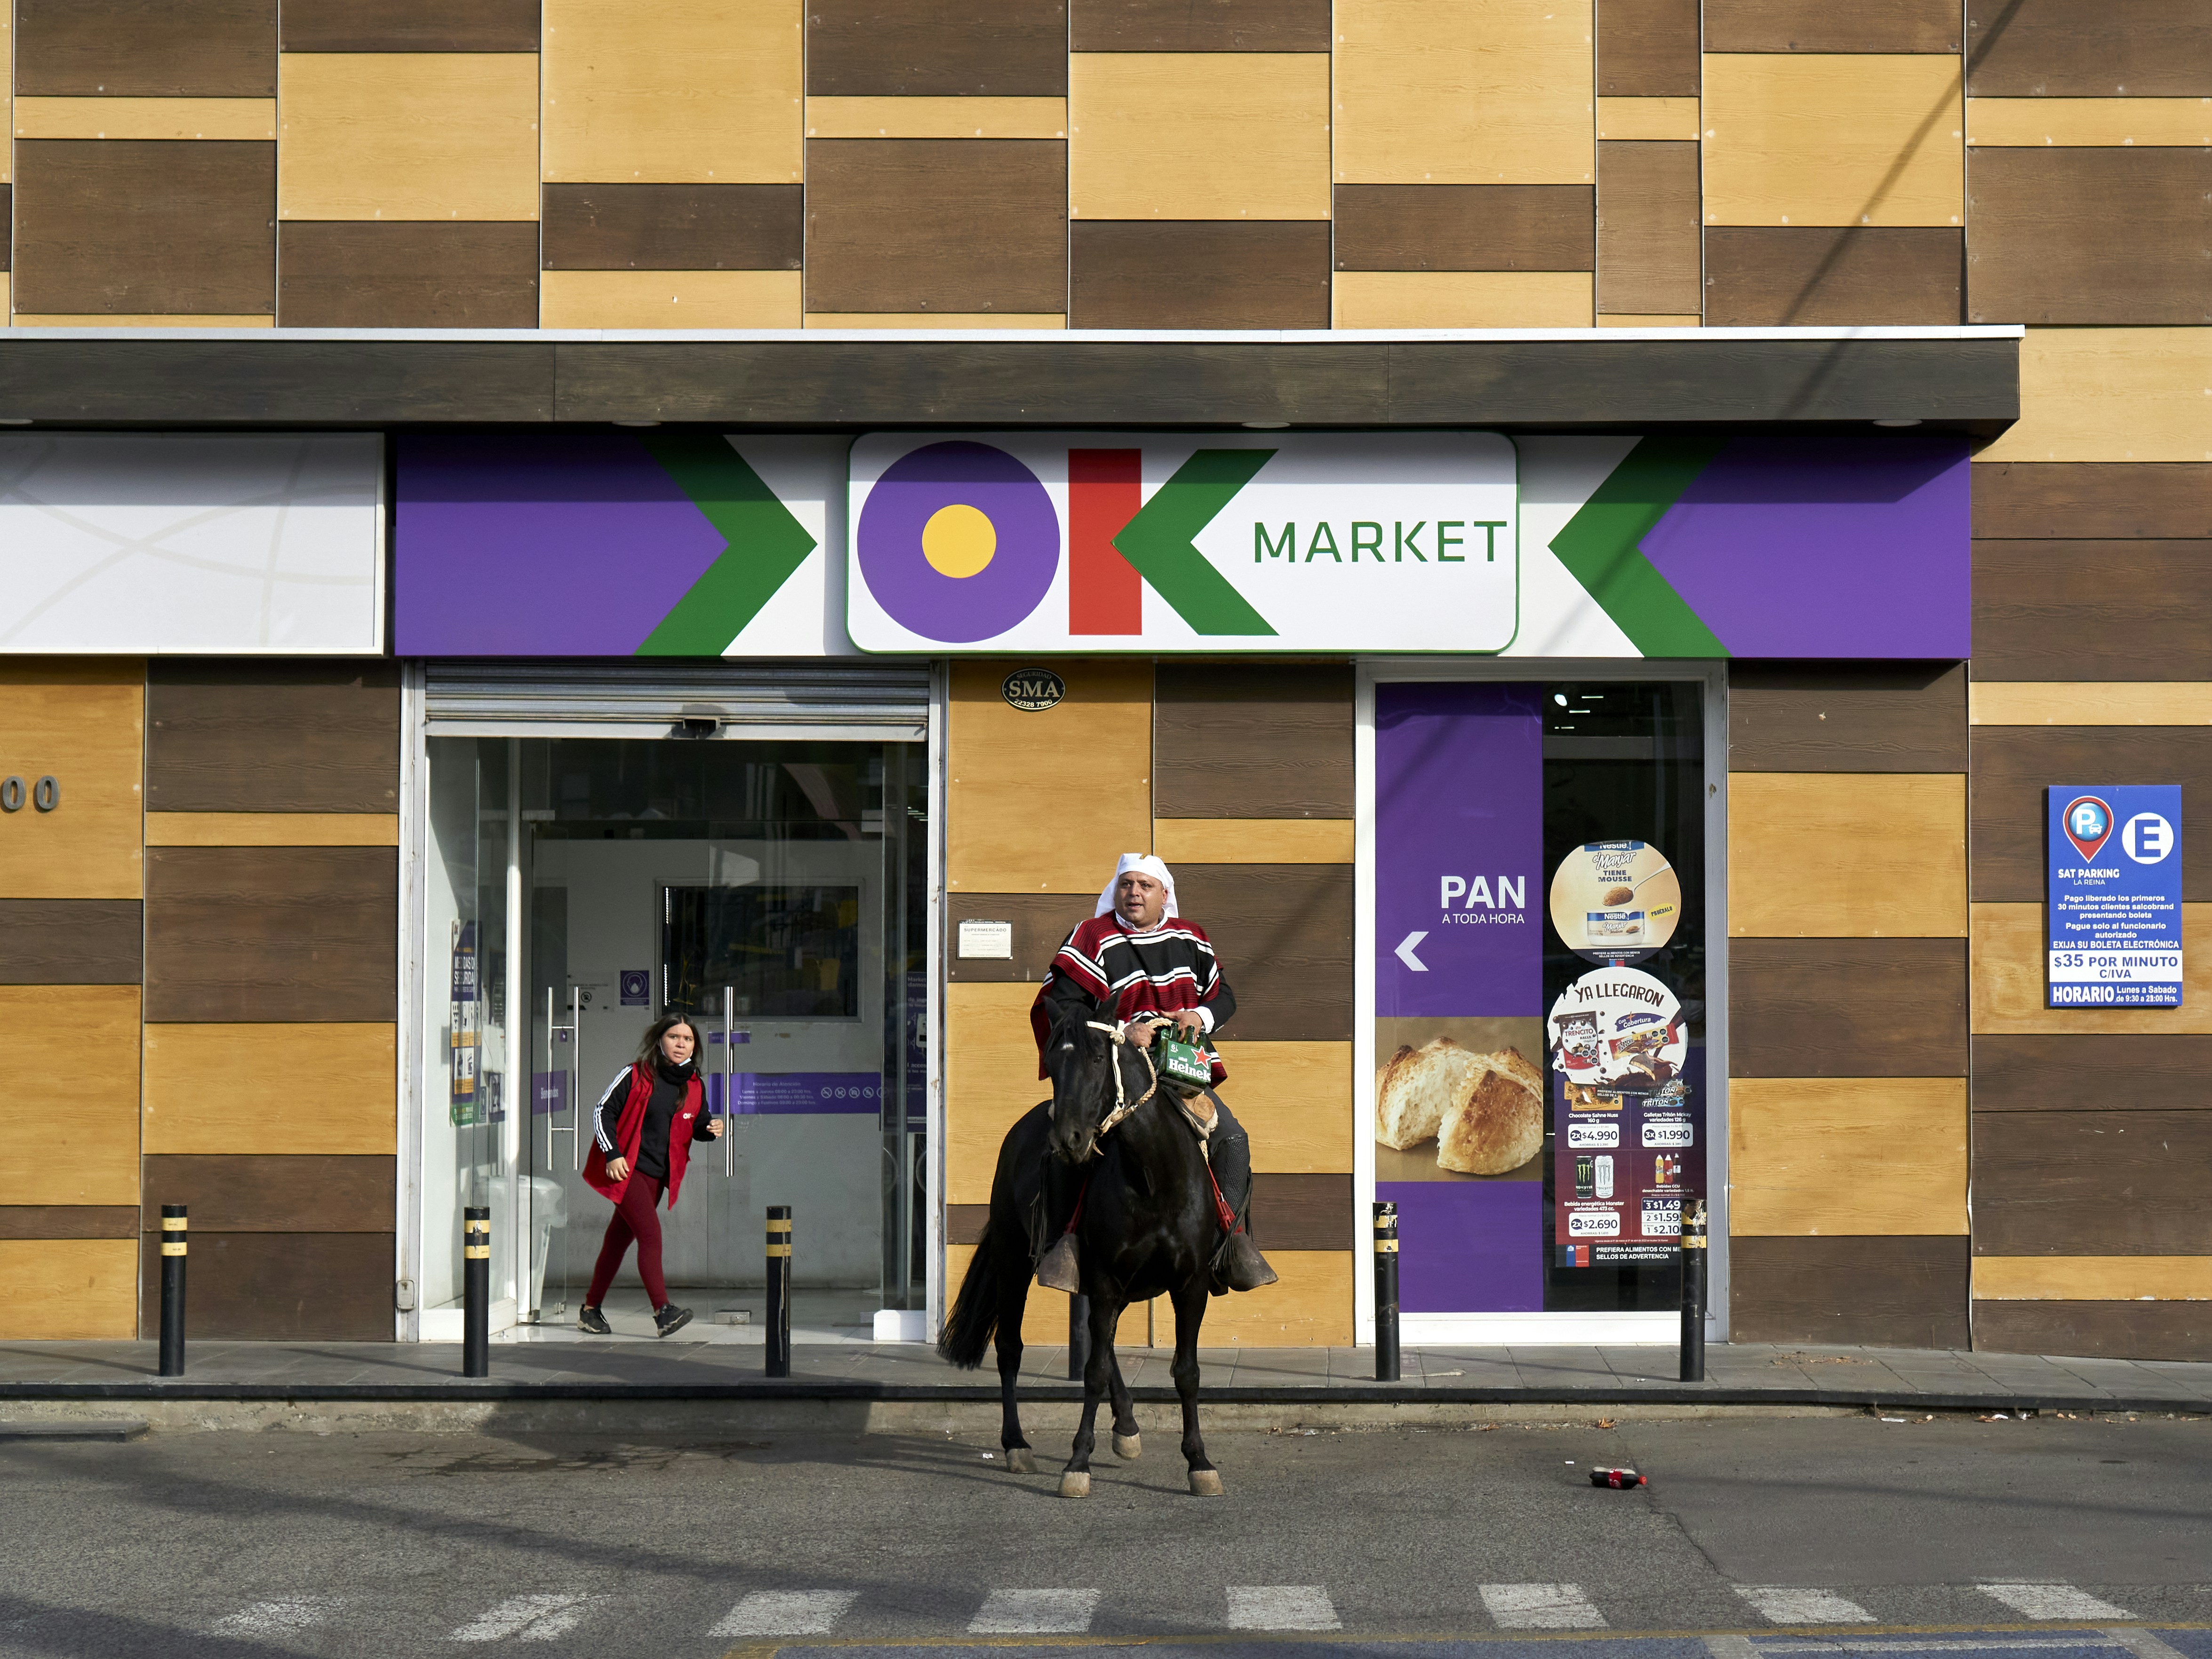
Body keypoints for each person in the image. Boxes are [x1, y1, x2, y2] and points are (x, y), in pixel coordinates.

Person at [1028, 852, 1278, 1294]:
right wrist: (1123, 1030)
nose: (1134, 893)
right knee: (1069, 1137)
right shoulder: (1091, 935)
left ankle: (1229, 1245)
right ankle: (1063, 1244)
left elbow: (1223, 996)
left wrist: (1199, 1015)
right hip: (1113, 1070)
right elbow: (1062, 1006)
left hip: (1180, 1068)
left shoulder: (1191, 937)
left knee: (1232, 1138)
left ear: (1165, 894)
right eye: (1127, 884)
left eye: (1145, 885)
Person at [577, 1014, 724, 1337]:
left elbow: (698, 1124)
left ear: (694, 1046)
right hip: (628, 1170)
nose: (681, 1044)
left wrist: (711, 1128)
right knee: (651, 1236)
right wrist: (612, 1153)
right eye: (674, 1037)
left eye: (687, 1039)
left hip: (657, 1177)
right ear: (660, 1040)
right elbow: (603, 1111)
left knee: (617, 1241)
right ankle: (663, 1311)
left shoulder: (694, 1084)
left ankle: (590, 1310)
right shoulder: (636, 1074)